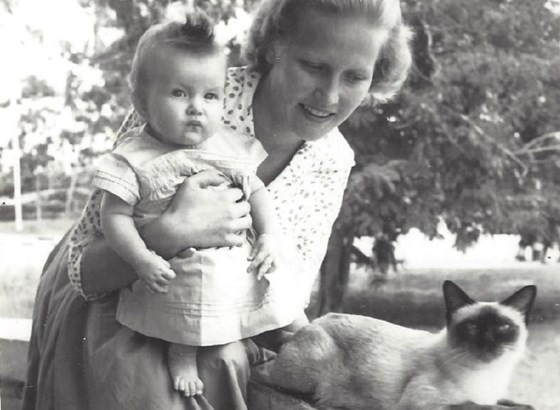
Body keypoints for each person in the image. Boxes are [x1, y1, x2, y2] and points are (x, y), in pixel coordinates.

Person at [22, 0, 412, 409]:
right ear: (277, 45)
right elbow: (85, 270)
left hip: (221, 312)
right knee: (154, 381)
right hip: (117, 291)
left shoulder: (332, 160)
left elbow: (283, 297)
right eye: (313, 66)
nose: (330, 95)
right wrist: (169, 233)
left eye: (355, 76)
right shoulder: (192, 91)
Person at [81, 12, 305, 398]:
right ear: (142, 101)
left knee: (268, 292)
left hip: (228, 265)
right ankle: (181, 353)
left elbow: (256, 192)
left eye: (210, 95)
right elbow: (113, 216)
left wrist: (269, 235)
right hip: (168, 268)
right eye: (179, 93)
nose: (196, 107)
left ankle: (286, 345)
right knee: (185, 295)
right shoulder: (133, 156)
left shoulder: (229, 146)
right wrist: (141, 257)